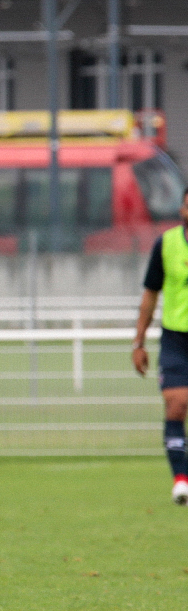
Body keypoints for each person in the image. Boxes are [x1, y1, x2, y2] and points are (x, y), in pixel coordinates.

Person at [131, 186, 188, 505]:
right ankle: (181, 479)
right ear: (182, 210)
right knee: (176, 404)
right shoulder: (166, 244)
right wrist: (138, 342)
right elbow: (150, 294)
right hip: (176, 338)